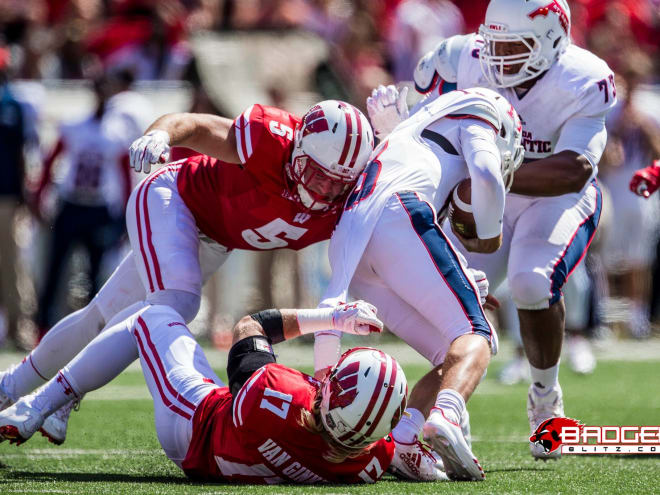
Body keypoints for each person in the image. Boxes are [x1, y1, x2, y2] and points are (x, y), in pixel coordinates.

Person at [0, 99, 374, 446]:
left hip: (215, 241)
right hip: (173, 197)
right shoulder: (270, 137)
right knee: (173, 306)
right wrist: (159, 134)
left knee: (101, 317)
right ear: (298, 147)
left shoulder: (353, 201)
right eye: (316, 174)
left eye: (335, 184)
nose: (322, 191)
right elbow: (194, 126)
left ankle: (9, 387)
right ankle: (46, 401)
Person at [368, 0, 615, 460]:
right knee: (457, 313)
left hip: (553, 196)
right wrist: (399, 128)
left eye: (513, 45)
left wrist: (486, 171)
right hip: (484, 195)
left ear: (551, 43)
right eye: (493, 41)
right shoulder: (459, 56)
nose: (497, 56)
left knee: (531, 281)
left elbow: (574, 169)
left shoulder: (584, 78)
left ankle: (545, 400)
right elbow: (423, 122)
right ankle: (435, 418)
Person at [314, 87, 524, 481]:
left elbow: (423, 227)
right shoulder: (482, 111)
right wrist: (490, 239)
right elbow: (485, 172)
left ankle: (405, 436)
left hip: (356, 251)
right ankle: (447, 415)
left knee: (452, 352)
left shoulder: (412, 138)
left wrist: (464, 271)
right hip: (399, 217)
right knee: (477, 334)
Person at [0, 299, 434, 484]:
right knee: (137, 315)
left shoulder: (275, 393)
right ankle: (62, 405)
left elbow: (251, 326)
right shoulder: (366, 463)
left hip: (193, 421)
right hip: (215, 459)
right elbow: (398, 450)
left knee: (152, 315)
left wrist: (334, 318)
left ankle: (36, 406)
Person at [32, 73, 133, 338]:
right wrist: (39, 195)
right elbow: (50, 160)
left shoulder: (118, 131)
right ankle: (41, 329)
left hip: (99, 209)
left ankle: (89, 332)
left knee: (96, 274)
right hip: (72, 204)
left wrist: (125, 214)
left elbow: (125, 176)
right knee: (55, 268)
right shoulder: (74, 125)